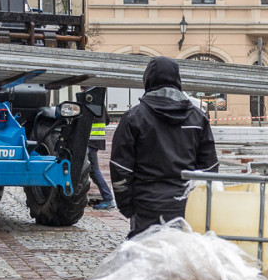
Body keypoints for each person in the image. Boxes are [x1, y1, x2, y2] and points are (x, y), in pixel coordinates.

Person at [110, 57, 219, 239]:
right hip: (187, 207)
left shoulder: (134, 117)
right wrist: (200, 204)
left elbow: (120, 168)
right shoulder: (197, 118)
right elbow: (209, 168)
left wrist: (128, 206)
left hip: (147, 205)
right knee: (183, 255)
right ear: (177, 80)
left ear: (148, 80)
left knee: (148, 254)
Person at [85, 90, 115, 210]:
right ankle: (105, 197)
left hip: (89, 141)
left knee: (93, 171)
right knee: (91, 170)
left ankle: (108, 198)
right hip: (97, 141)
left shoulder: (87, 101)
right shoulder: (100, 102)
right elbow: (107, 120)